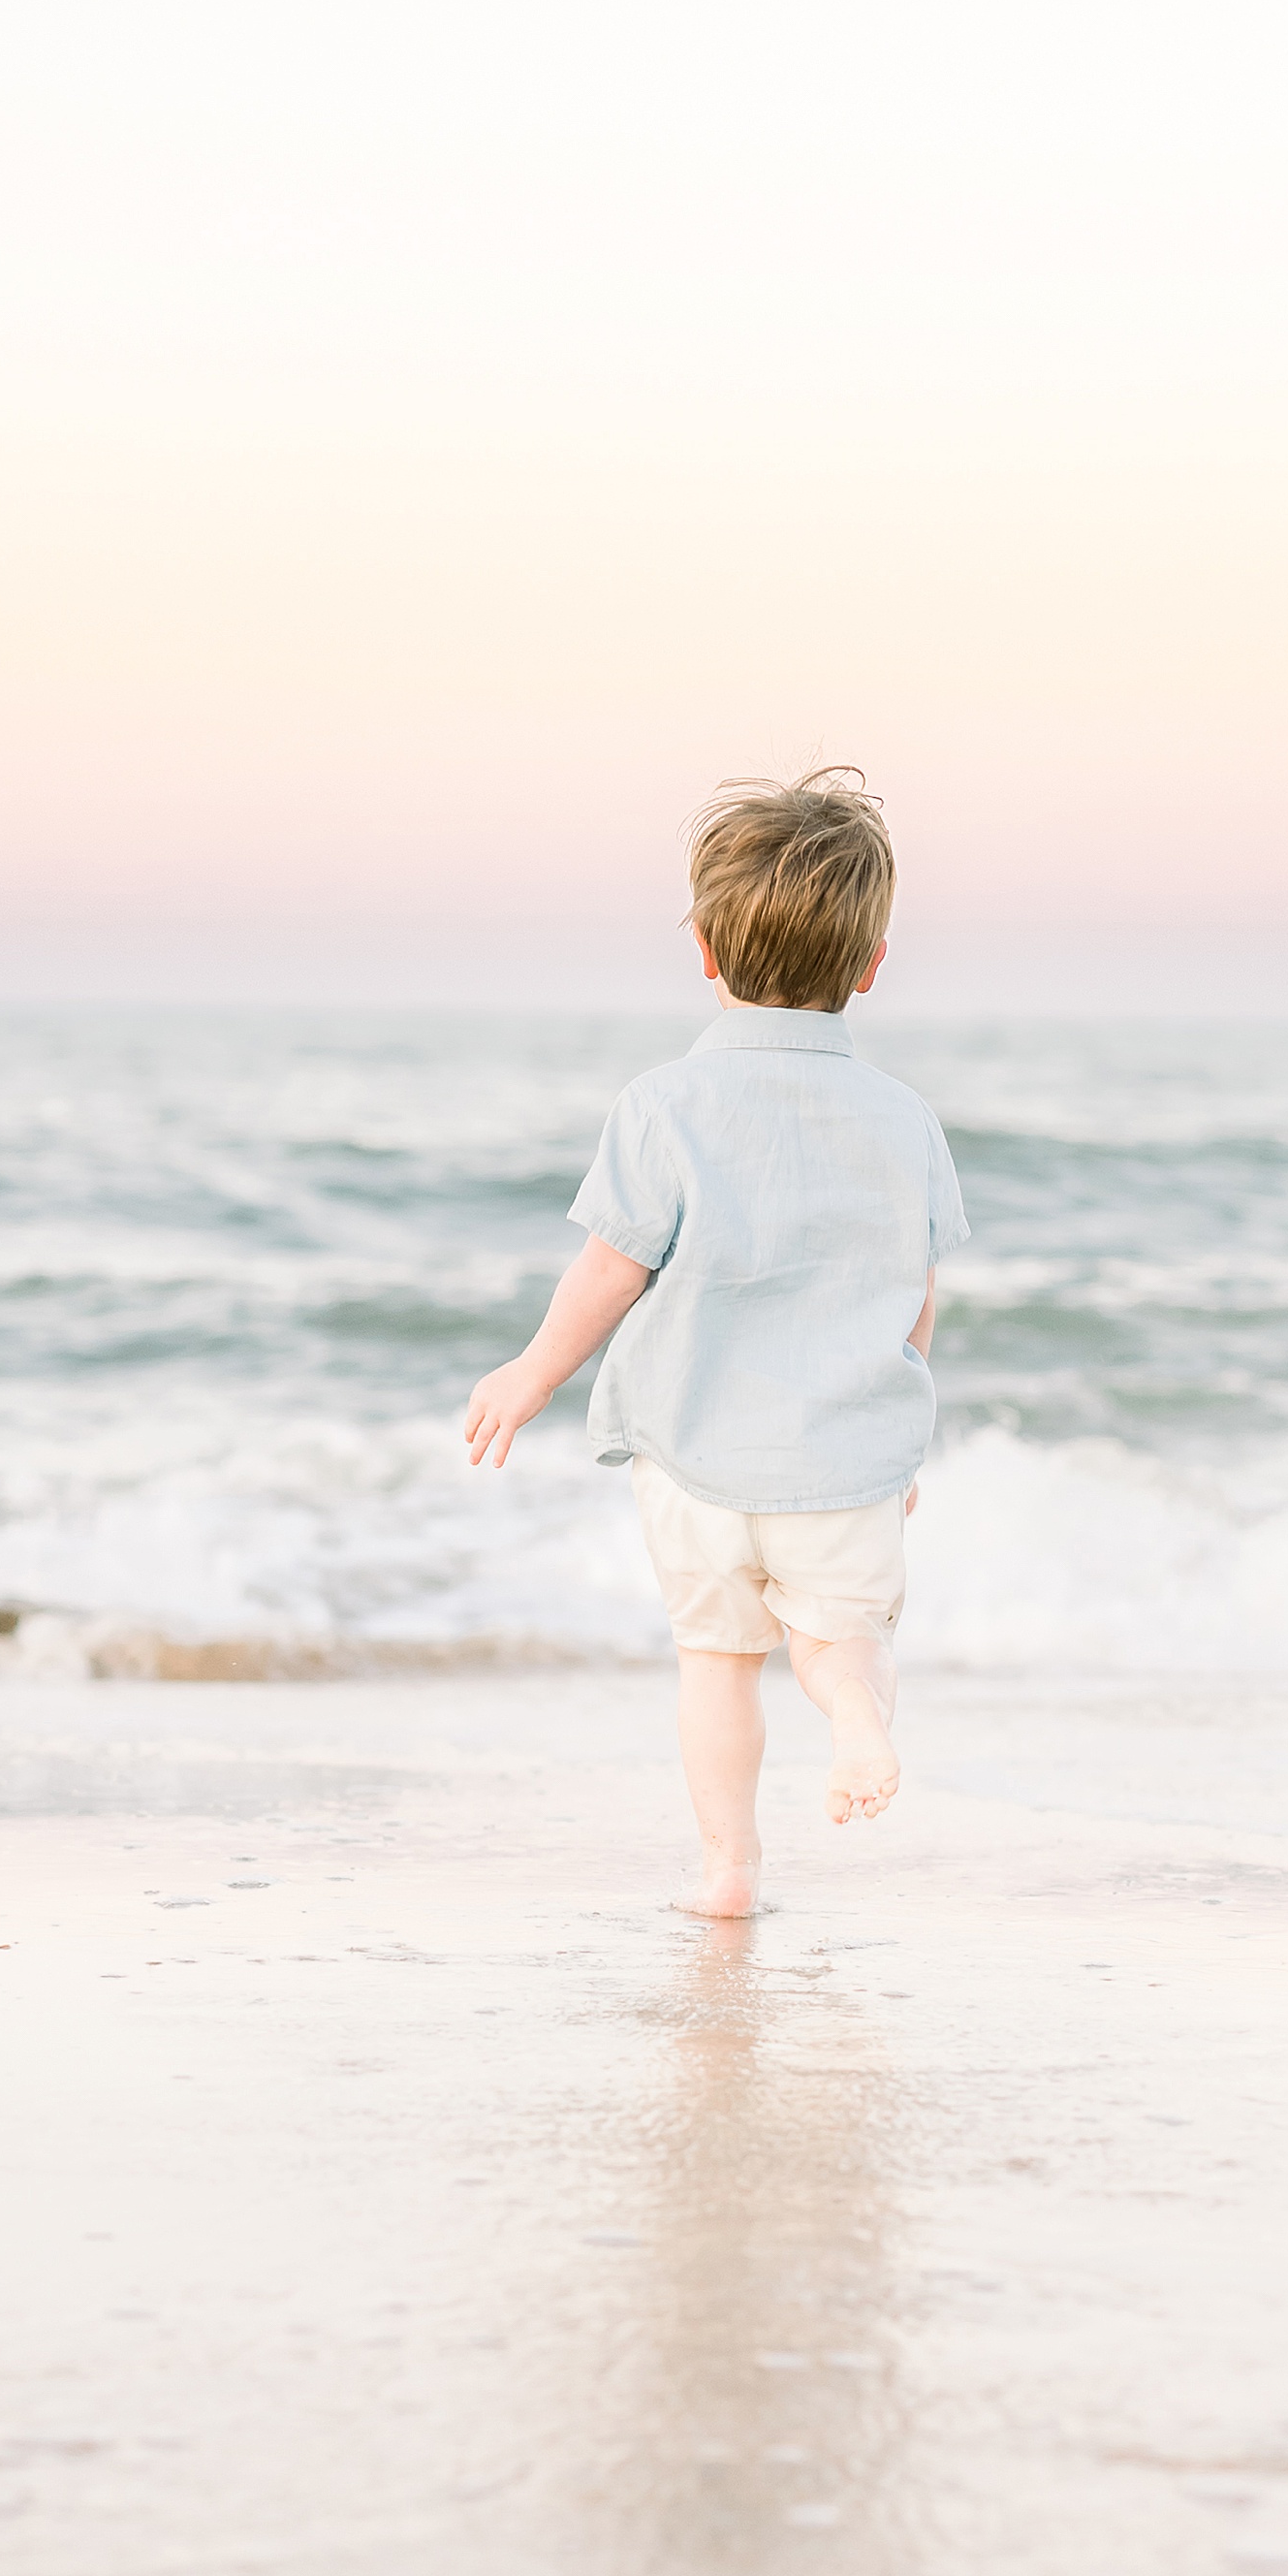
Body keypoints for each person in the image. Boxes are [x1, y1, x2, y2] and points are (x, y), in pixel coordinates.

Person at [463, 769, 968, 1919]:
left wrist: (529, 1372)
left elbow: (610, 1267)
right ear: (870, 962)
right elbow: (914, 1295)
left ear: (701, 949)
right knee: (837, 1643)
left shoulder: (661, 1104)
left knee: (715, 1663)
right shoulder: (903, 1119)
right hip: (841, 1464)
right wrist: (898, 1441)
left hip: (690, 1458)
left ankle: (729, 1872)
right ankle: (851, 1716)